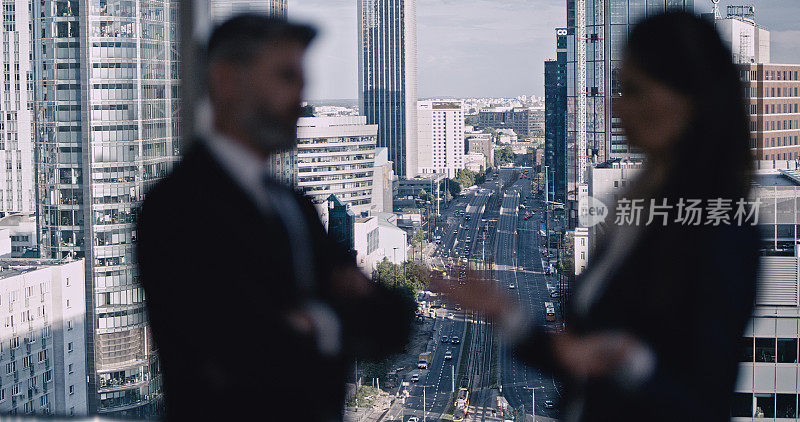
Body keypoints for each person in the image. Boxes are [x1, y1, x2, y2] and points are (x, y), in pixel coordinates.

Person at [434, 12, 759, 422]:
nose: (616, 104)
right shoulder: (632, 208)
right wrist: (506, 312)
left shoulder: (722, 225)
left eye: (634, 89)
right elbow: (580, 360)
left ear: (688, 100)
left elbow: (702, 402)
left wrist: (629, 360)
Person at [136, 14, 415, 421]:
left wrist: (306, 320)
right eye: (286, 77)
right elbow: (240, 355)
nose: (301, 97)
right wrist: (335, 311)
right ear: (228, 81)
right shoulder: (176, 209)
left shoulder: (294, 205)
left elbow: (394, 325)